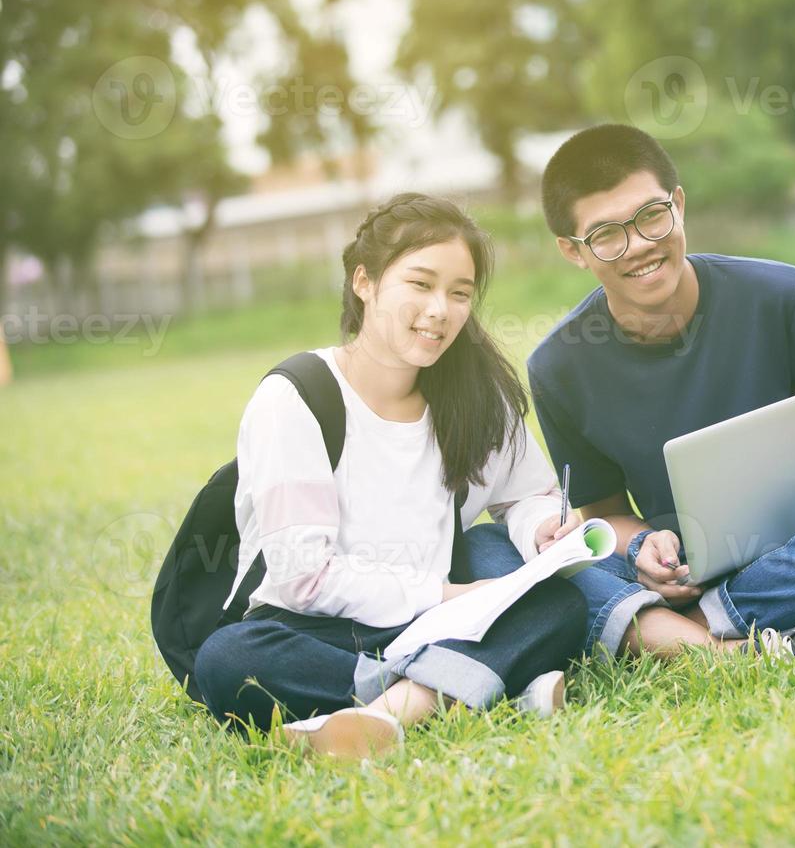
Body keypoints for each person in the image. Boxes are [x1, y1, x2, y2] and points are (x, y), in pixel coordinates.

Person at [526, 124, 795, 660]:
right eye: (606, 234)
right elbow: (604, 513)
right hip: (685, 573)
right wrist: (637, 548)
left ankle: (693, 632)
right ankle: (761, 625)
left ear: (678, 204)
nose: (640, 247)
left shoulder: (782, 295)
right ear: (573, 250)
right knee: (567, 572)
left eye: (652, 216)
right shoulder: (558, 366)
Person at [194, 193, 587, 758]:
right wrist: (448, 594)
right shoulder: (298, 397)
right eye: (420, 284)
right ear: (365, 281)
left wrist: (544, 527)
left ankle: (380, 719)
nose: (440, 310)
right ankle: (471, 693)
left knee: (559, 607)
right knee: (229, 661)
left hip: (441, 622)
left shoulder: (478, 398)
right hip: (321, 629)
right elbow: (304, 577)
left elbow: (528, 495)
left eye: (459, 294)